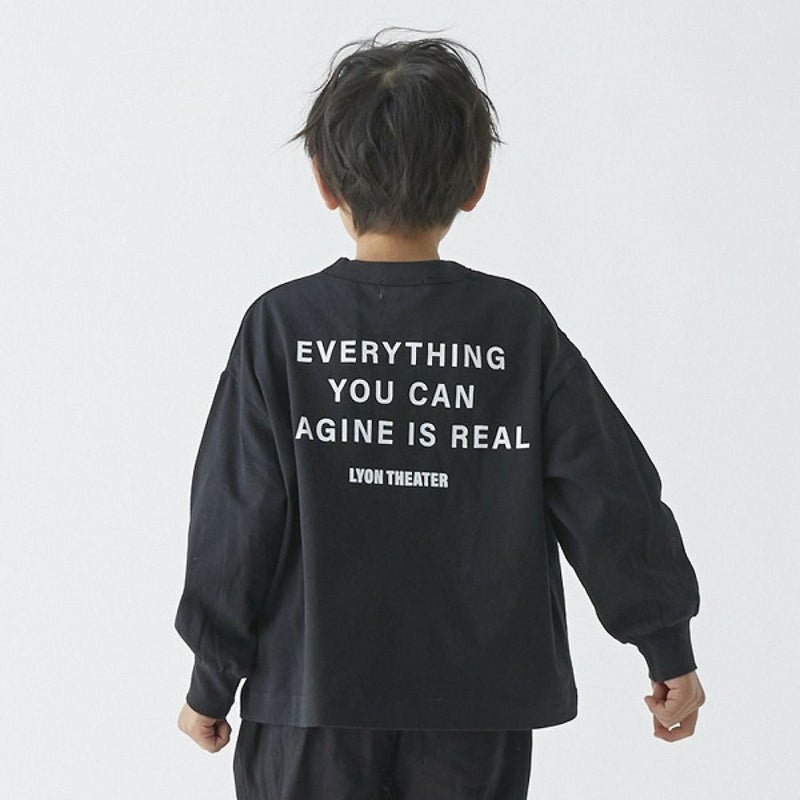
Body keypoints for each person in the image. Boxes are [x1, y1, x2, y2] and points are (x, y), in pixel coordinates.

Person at [174, 26, 706, 799]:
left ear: (323, 180)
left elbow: (235, 517)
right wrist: (666, 645)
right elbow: (609, 495)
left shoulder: (282, 329)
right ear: (477, 179)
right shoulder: (516, 328)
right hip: (476, 713)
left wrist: (211, 679)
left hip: (309, 704)